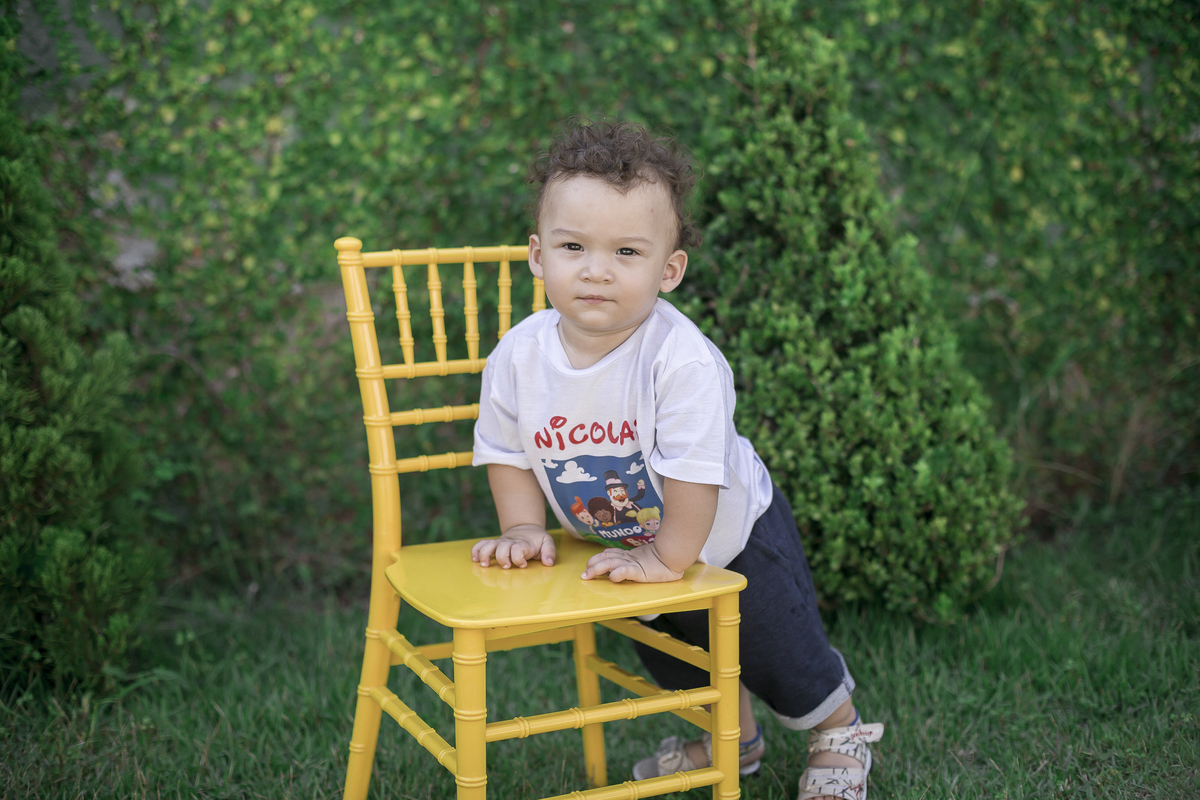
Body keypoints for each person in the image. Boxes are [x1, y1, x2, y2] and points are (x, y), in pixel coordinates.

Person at [470, 119, 884, 800]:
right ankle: (733, 740)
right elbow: (506, 451)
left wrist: (666, 559)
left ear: (669, 271)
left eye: (626, 252)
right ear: (538, 256)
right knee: (680, 656)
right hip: (627, 543)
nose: (596, 269)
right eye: (574, 246)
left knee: (780, 649)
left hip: (730, 536)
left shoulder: (679, 360)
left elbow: (694, 476)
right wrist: (522, 527)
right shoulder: (517, 356)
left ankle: (838, 732)